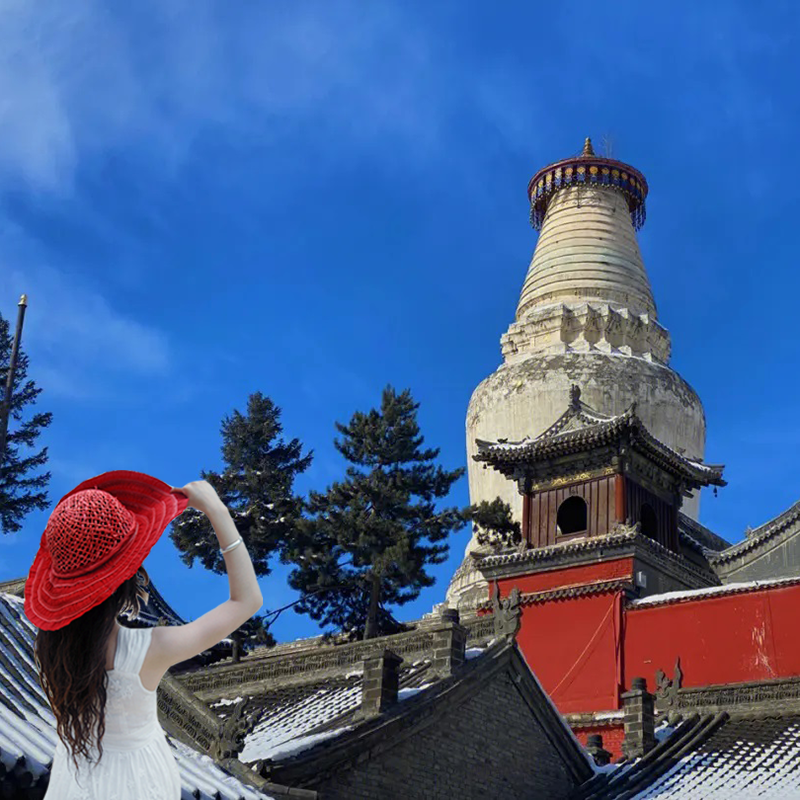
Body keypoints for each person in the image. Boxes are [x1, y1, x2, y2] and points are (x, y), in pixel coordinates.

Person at [24, 470, 264, 799]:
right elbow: (246, 601)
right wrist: (216, 510)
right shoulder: (147, 649)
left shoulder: (49, 651)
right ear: (126, 575)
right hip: (137, 783)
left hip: (72, 782)